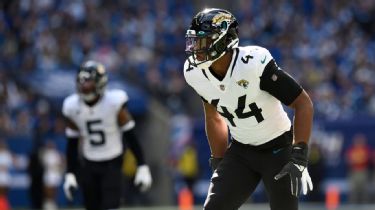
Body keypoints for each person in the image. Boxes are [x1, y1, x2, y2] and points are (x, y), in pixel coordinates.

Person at [183, 8, 314, 210]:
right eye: (193, 41)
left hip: (279, 149)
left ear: (224, 40)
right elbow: (214, 117)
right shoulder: (194, 72)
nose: (196, 49)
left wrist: (299, 155)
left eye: (203, 42)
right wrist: (218, 160)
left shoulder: (252, 64)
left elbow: (303, 103)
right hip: (241, 151)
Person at [62, 60, 152, 210]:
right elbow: (72, 142)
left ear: (99, 82)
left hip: (112, 162)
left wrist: (142, 165)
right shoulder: (72, 106)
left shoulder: (114, 102)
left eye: (88, 81)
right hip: (89, 162)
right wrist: (70, 173)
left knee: (110, 206)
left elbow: (131, 136)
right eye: (82, 81)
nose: (84, 86)